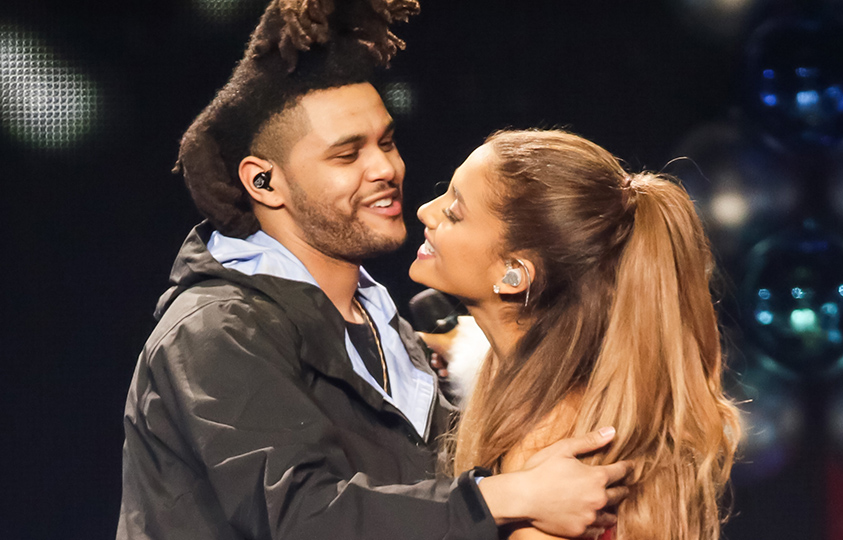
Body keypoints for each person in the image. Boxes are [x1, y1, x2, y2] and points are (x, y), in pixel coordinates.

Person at [117, 2, 631, 539]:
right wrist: (511, 494)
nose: (385, 168)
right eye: (347, 155)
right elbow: (302, 519)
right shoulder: (217, 329)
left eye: (385, 142)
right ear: (264, 182)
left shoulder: (388, 332)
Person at [410, 129, 742, 540]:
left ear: (514, 273)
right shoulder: (536, 393)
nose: (427, 211)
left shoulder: (549, 447)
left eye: (454, 212)